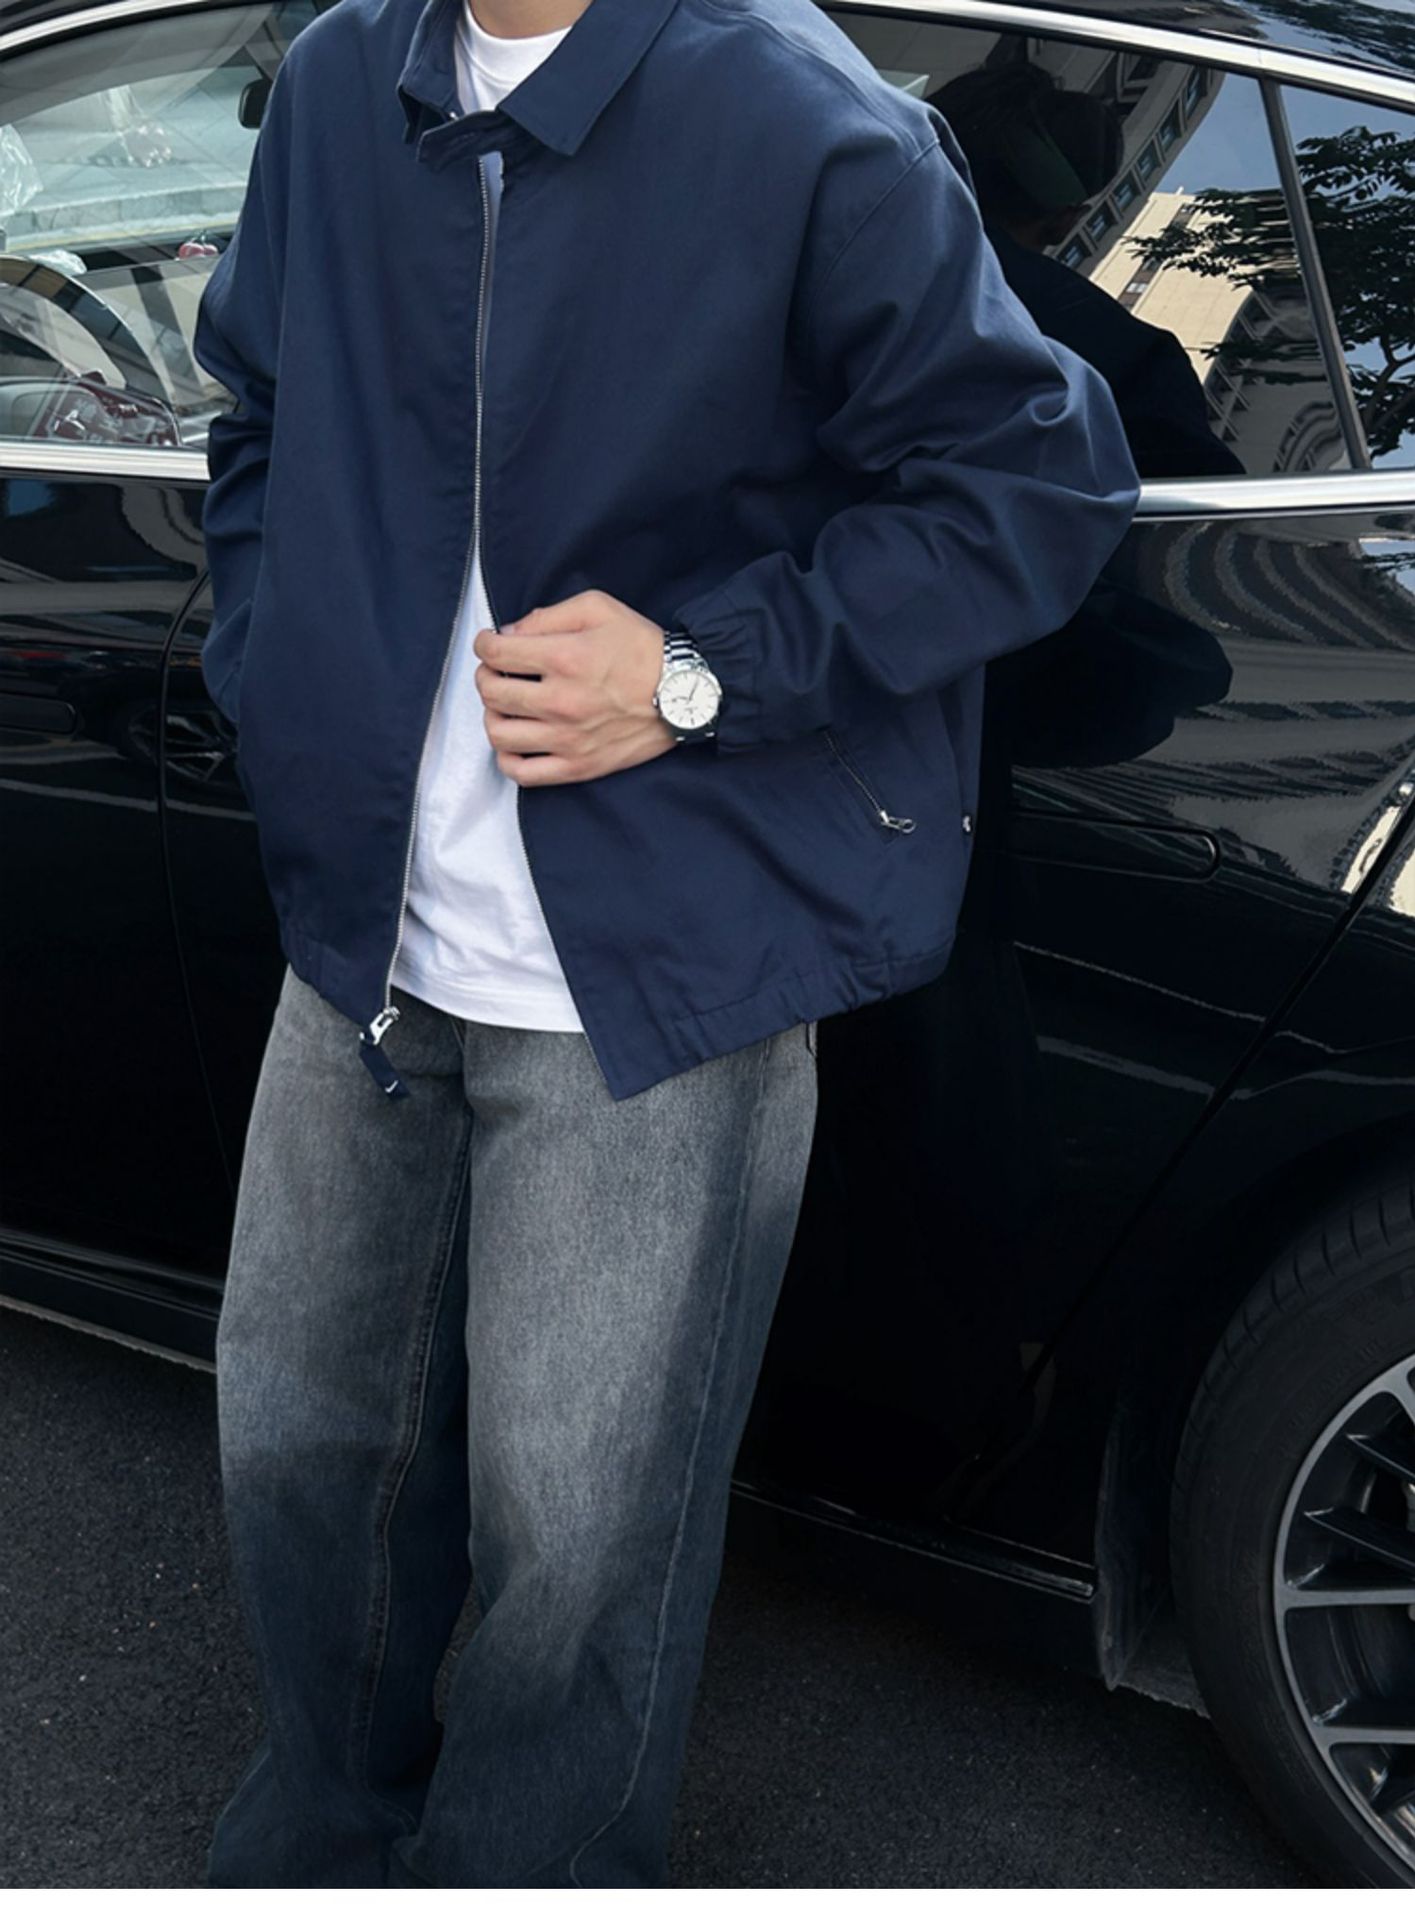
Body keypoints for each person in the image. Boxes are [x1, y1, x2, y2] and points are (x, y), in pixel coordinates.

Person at [192, 0, 1139, 1889]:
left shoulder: (792, 110)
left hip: (647, 975)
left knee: (580, 1543)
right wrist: (277, 671)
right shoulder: (339, 81)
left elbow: (1034, 484)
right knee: (299, 1454)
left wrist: (701, 672)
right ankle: (320, 1842)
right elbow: (258, 415)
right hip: (365, 942)